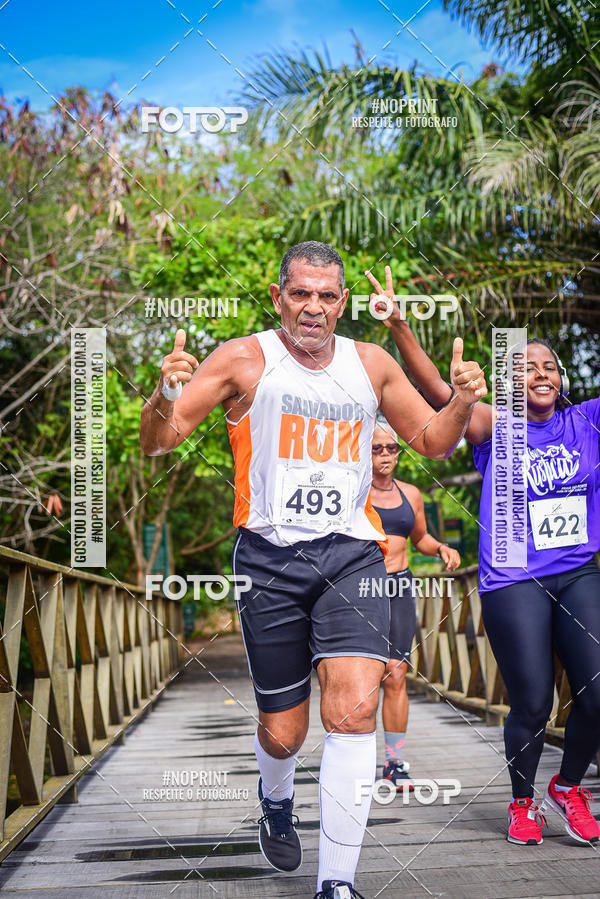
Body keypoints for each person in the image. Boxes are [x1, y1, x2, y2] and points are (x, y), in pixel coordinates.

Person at [140, 243, 487, 899]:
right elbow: (160, 439)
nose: (314, 307)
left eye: (328, 295)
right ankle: (275, 796)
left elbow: (434, 441)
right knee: (284, 729)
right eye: (301, 293)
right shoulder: (244, 358)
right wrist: (164, 392)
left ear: (343, 302)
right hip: (269, 556)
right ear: (279, 297)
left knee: (355, 709)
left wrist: (462, 400)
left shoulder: (371, 363)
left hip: (351, 553)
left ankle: (337, 882)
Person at [366, 269, 600, 848]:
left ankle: (568, 787)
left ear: (562, 380)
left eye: (547, 366)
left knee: (596, 691)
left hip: (578, 571)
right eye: (523, 367)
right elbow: (438, 395)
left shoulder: (587, 421)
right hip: (514, 577)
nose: (537, 373)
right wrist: (399, 326)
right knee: (531, 700)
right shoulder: (496, 426)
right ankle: (523, 802)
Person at [369, 417, 460, 792]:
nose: (387, 454)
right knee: (358, 678)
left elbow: (419, 537)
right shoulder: (353, 491)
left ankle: (394, 763)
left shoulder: (411, 494)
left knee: (396, 674)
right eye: (377, 448)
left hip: (399, 587)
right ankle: (351, 757)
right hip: (360, 589)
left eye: (392, 448)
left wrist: (440, 547)